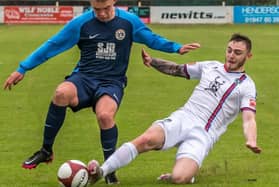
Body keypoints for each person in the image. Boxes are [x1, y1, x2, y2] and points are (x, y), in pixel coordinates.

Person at [3, 0, 200, 184]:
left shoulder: (128, 21)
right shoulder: (81, 24)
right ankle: (46, 150)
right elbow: (52, 45)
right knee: (61, 93)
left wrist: (176, 48)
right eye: (97, 9)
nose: (103, 13)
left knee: (105, 116)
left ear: (113, 2)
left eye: (106, 8)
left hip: (112, 82)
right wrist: (23, 68)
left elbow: (151, 39)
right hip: (84, 78)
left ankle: (109, 168)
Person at [87, 33, 262, 185]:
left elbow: (249, 118)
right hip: (184, 117)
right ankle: (102, 171)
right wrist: (152, 61)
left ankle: (188, 174)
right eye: (229, 50)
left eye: (238, 53)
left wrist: (251, 140)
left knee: (179, 178)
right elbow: (178, 69)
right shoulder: (211, 66)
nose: (231, 55)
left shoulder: (247, 85)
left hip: (204, 134)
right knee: (146, 139)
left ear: (249, 56)